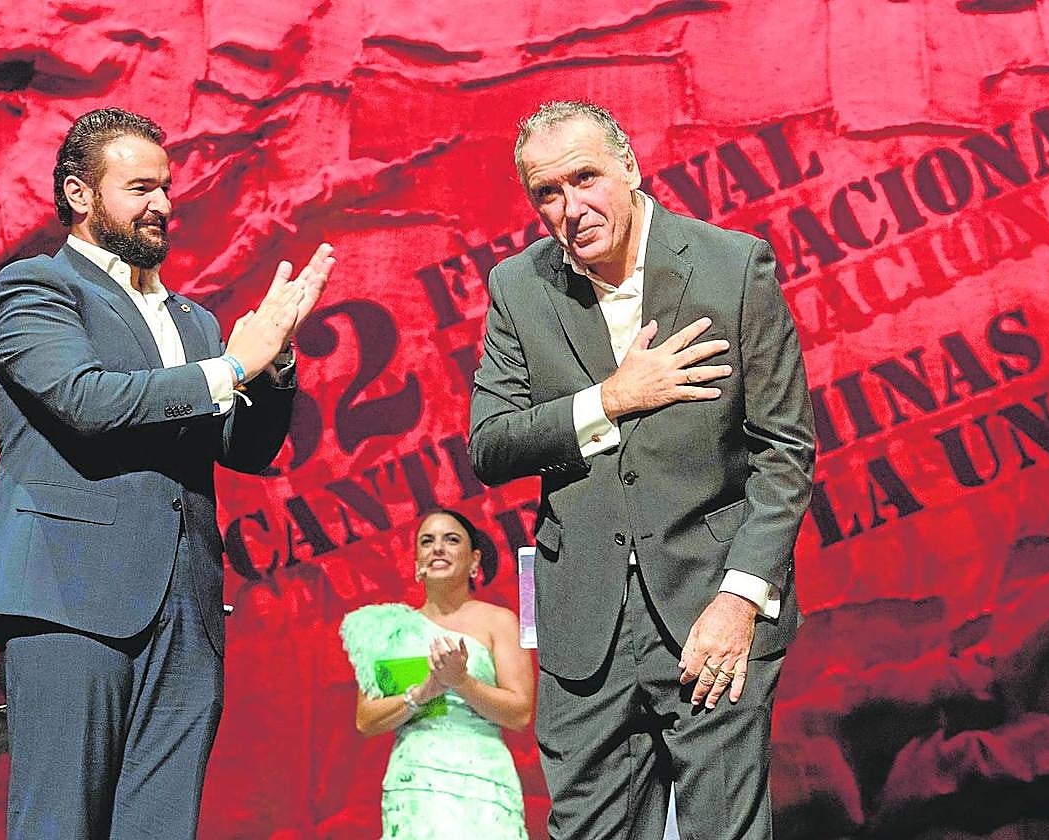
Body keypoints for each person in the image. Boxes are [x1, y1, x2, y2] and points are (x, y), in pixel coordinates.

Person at [0, 107, 336, 840]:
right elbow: (84, 400)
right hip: (70, 598)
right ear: (79, 194)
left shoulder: (192, 320)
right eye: (140, 188)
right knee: (59, 822)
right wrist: (233, 365)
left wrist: (278, 358)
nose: (161, 204)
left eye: (165, 187)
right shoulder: (35, 288)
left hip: (186, 611)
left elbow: (245, 447)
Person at [468, 101, 816, 839]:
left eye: (585, 177)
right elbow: (491, 445)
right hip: (583, 632)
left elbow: (784, 453)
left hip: (712, 617)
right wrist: (610, 399)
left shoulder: (733, 266)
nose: (571, 207)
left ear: (629, 165)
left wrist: (741, 602)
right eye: (547, 192)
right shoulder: (519, 287)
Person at [340, 509, 534, 839]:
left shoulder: (499, 621)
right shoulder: (390, 630)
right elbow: (365, 720)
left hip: (484, 784)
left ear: (474, 560)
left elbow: (521, 714)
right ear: (416, 562)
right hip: (416, 785)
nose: (438, 548)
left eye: (451, 539)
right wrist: (422, 693)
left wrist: (461, 681)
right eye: (427, 541)